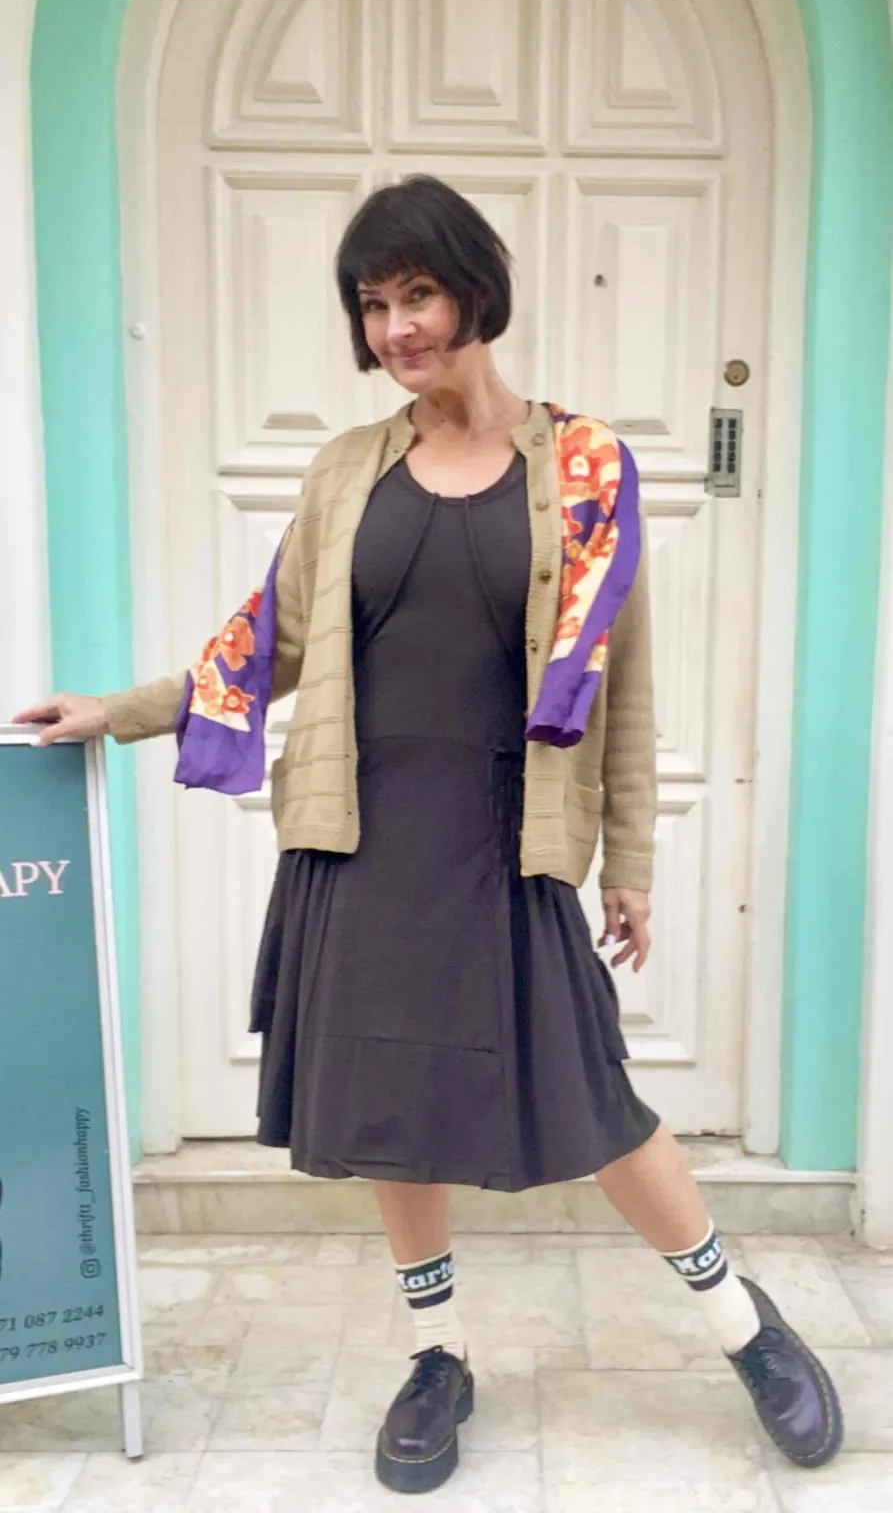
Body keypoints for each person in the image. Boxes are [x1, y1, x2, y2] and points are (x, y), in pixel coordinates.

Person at [17, 174, 842, 1494]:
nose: (396, 326)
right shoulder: (348, 469)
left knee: (597, 1102)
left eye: (418, 294)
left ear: (475, 292)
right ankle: (437, 1354)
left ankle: (745, 1325)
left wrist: (629, 860)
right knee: (392, 1106)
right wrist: (118, 711)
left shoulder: (584, 467)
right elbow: (267, 645)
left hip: (506, 835)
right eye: (372, 303)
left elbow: (623, 681)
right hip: (361, 837)